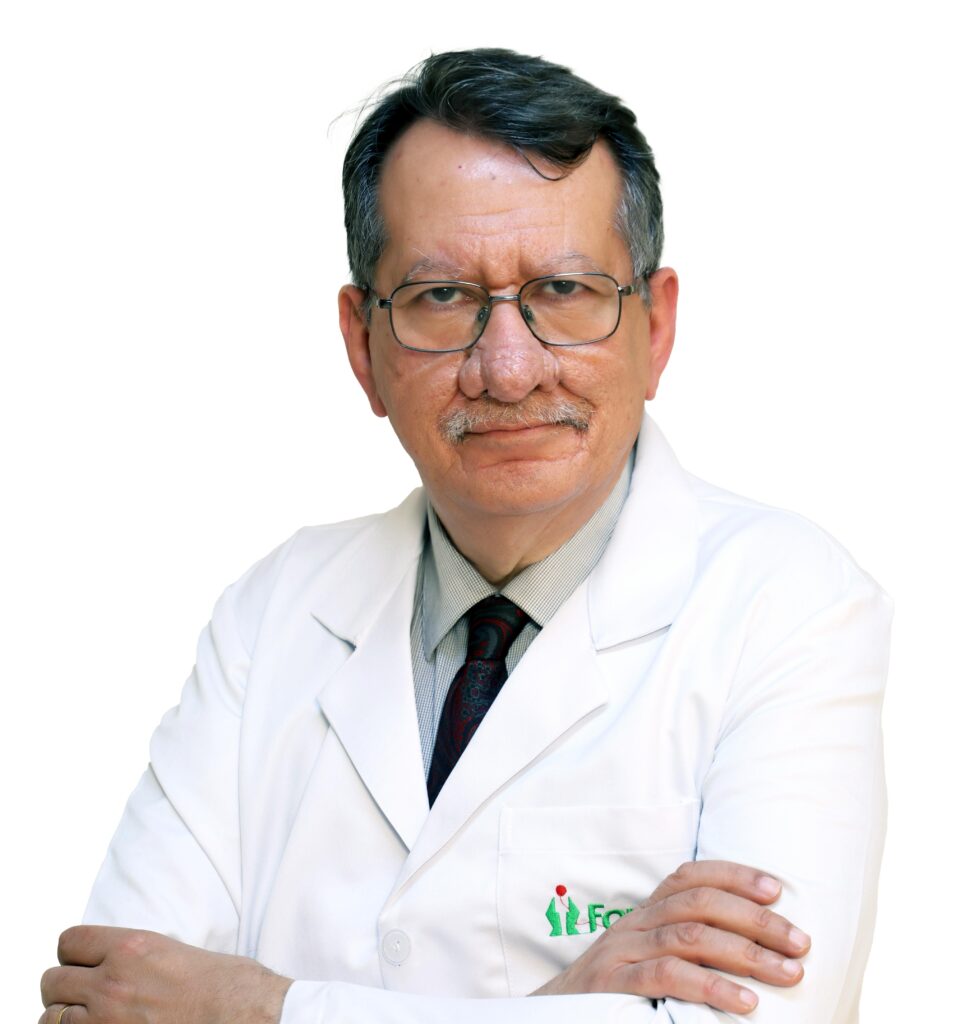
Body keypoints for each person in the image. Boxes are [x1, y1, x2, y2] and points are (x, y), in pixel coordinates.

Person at [39, 49, 891, 1023]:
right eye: (442, 298)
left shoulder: (790, 607)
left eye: (563, 290)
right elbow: (111, 1000)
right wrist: (564, 1002)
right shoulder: (272, 614)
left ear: (654, 328)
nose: (509, 368)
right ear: (363, 346)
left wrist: (261, 1008)